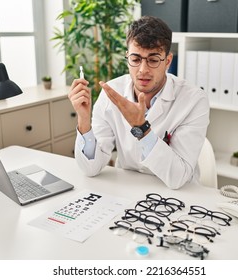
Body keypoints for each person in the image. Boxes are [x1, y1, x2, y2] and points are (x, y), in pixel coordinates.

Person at [68, 16, 209, 189]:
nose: (143, 70)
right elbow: (90, 168)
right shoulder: (111, 93)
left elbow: (178, 177)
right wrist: (83, 121)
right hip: (128, 189)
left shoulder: (194, 100)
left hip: (178, 194)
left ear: (168, 61)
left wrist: (142, 128)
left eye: (153, 60)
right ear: (127, 57)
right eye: (135, 59)